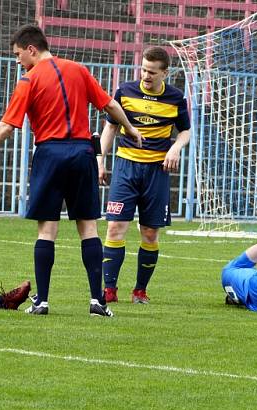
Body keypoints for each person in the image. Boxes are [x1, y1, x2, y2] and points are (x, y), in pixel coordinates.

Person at [0, 25, 143, 317]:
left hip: (50, 153)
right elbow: (110, 105)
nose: (18, 61)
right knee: (88, 227)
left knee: (47, 229)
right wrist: (131, 129)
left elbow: (7, 126)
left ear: (32, 49)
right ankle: (97, 302)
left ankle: (42, 301)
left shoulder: (29, 80)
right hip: (82, 153)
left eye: (18, 54)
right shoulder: (79, 70)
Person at [97, 46, 191, 305]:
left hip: (157, 172)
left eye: (152, 72)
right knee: (115, 227)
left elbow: (185, 131)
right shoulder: (125, 91)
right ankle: (109, 290)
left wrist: (175, 147)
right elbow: (110, 128)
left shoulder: (176, 98)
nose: (146, 76)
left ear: (165, 73)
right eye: (143, 70)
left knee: (150, 233)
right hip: (126, 168)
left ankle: (140, 290)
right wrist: (100, 159)